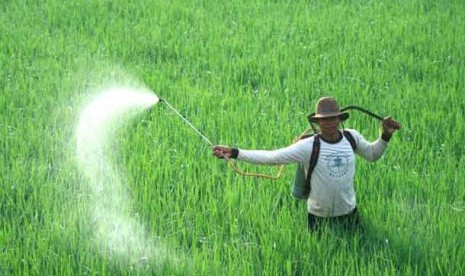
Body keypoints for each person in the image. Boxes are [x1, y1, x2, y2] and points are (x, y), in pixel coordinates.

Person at [212, 97, 401, 232]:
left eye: (333, 118)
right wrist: (234, 152)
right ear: (317, 123)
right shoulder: (308, 146)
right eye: (324, 120)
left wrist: (386, 135)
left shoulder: (351, 137)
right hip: (318, 216)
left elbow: (373, 154)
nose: (329, 123)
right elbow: (272, 157)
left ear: (339, 119)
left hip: (348, 213)